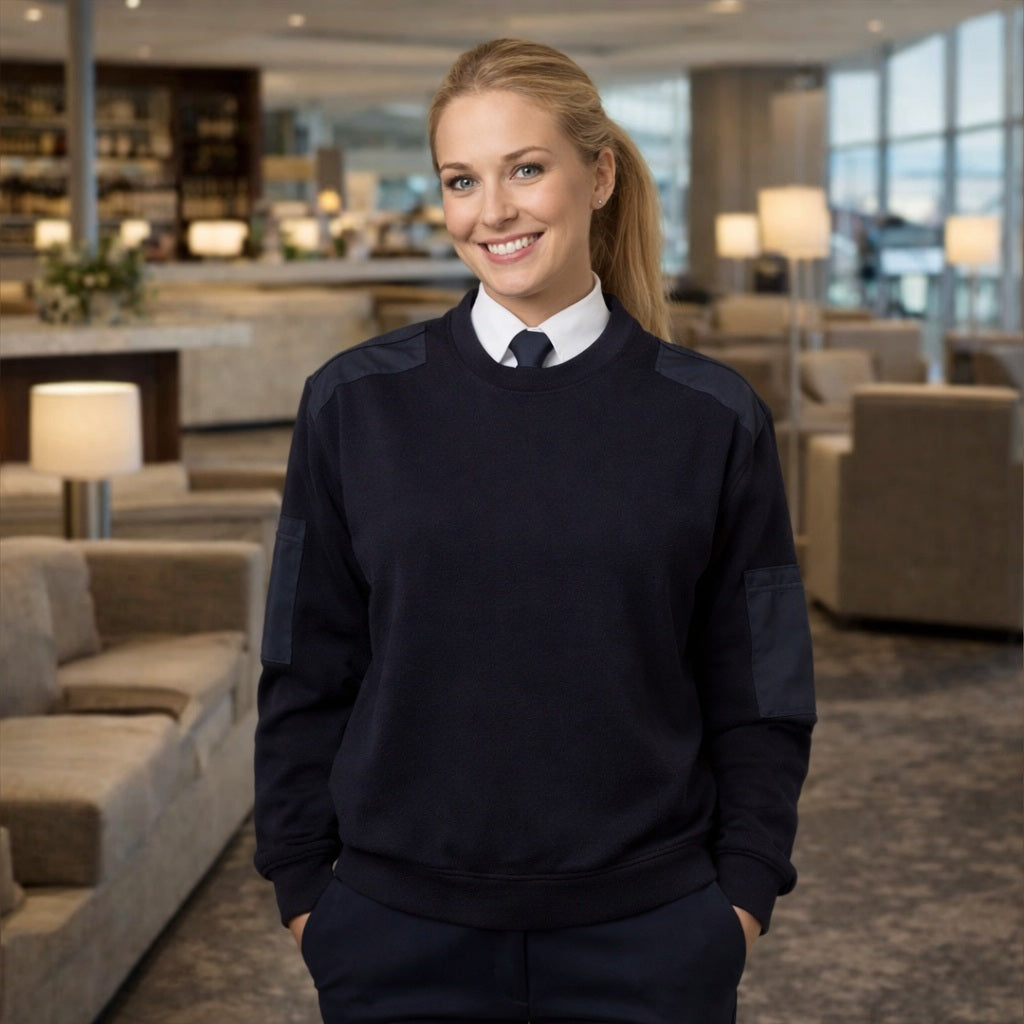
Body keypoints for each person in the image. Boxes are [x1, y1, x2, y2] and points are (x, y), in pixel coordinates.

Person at [254, 37, 815, 1024]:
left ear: (598, 174)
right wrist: (307, 894)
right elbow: (305, 668)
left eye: (525, 169)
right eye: (460, 180)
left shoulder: (711, 415)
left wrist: (738, 901)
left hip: (649, 940)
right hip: (393, 937)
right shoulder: (353, 405)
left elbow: (762, 684)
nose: (492, 211)